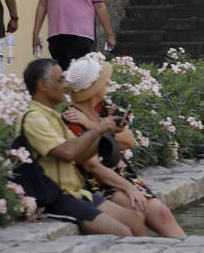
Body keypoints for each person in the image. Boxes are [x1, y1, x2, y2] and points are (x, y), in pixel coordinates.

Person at [62, 55, 184, 236]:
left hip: (122, 174)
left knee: (162, 213)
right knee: (136, 211)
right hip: (97, 182)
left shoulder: (104, 108)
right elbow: (91, 165)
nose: (107, 84)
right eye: (104, 82)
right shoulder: (71, 119)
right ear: (95, 89)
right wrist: (129, 188)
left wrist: (92, 126)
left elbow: (128, 140)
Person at [20, 57, 142, 236]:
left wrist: (105, 132)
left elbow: (81, 156)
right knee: (121, 232)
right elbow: (68, 153)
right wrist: (99, 127)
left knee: (134, 219)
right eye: (60, 79)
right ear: (43, 85)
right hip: (56, 198)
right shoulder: (34, 118)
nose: (65, 85)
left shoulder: (51, 116)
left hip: (76, 193)